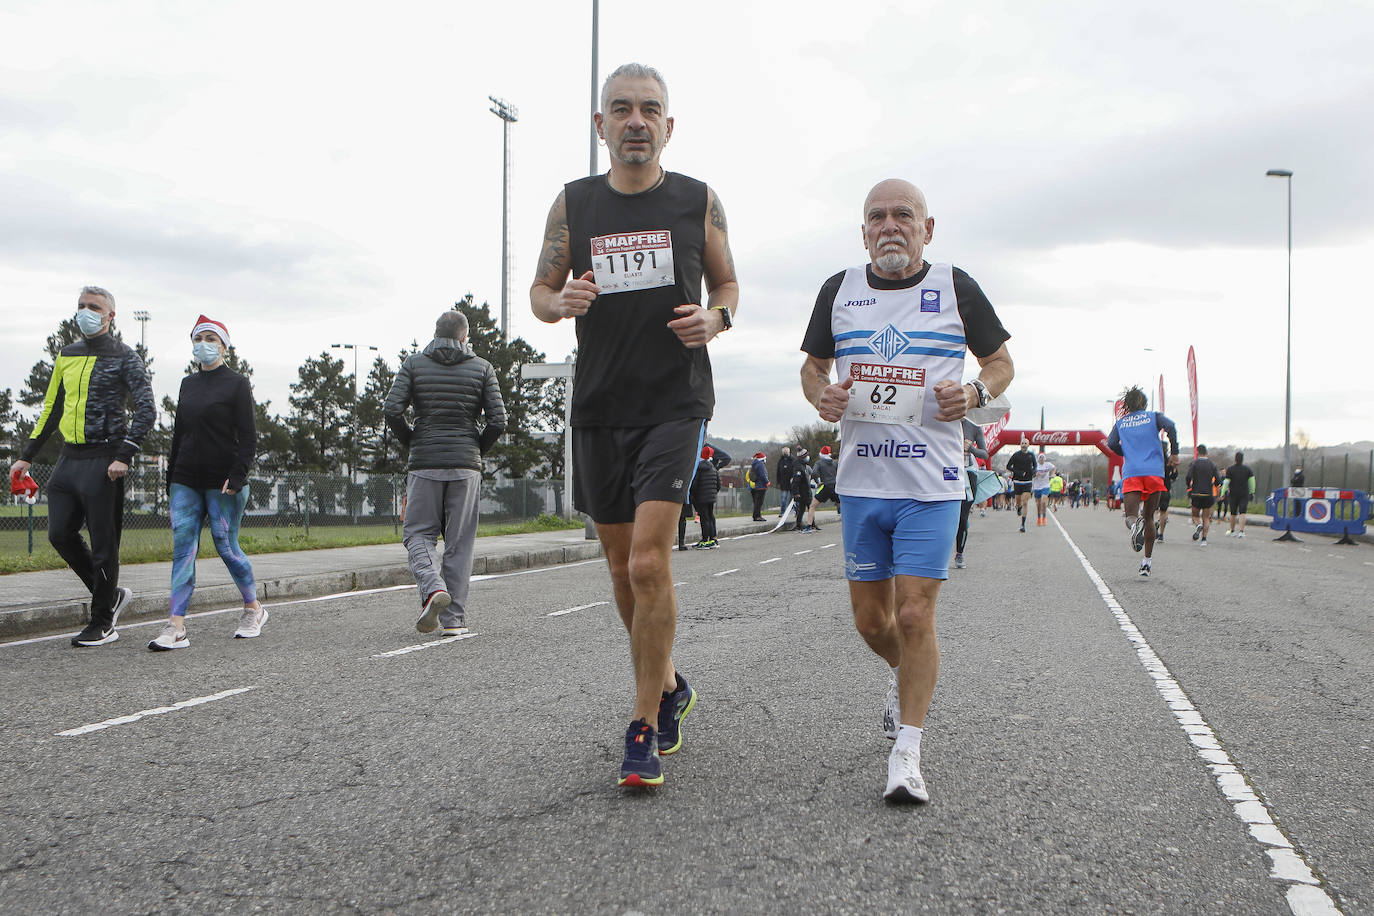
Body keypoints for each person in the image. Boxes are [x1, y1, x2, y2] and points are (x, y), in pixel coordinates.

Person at [529, 62, 738, 788]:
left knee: (651, 562)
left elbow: (729, 284)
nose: (636, 121)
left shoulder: (696, 200)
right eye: (621, 109)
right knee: (621, 571)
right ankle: (672, 682)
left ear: (668, 125)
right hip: (599, 406)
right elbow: (538, 293)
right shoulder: (574, 205)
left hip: (675, 403)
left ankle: (644, 723)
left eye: (650, 109)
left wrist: (717, 318)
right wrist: (562, 304)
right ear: (601, 126)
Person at [800, 178, 1013, 804]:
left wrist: (974, 393)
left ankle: (908, 751)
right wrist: (822, 396)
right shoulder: (838, 291)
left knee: (916, 614)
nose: (890, 225)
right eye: (877, 217)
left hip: (933, 483)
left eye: (904, 215)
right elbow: (812, 369)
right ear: (863, 230)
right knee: (873, 624)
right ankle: (907, 681)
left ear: (927, 227)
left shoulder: (955, 286)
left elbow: (1001, 363)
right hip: (863, 483)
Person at [11, 287, 155, 647]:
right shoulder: (67, 354)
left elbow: (147, 410)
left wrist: (124, 454)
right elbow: (52, 408)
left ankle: (102, 622)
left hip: (105, 459)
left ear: (110, 317)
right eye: (81, 306)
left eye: (94, 307)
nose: (85, 312)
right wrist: (26, 455)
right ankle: (111, 594)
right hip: (68, 459)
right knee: (59, 534)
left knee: (104, 545)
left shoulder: (126, 357)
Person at [384, 309, 508, 637]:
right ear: (464, 337)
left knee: (418, 534)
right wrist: (476, 450)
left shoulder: (414, 364)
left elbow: (392, 409)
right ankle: (455, 621)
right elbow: (498, 420)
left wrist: (413, 440)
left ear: (436, 332)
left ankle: (433, 586)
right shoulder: (482, 368)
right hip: (466, 465)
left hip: (425, 462)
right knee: (460, 542)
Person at [149, 316, 265, 650]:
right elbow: (179, 434)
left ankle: (252, 608)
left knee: (225, 544)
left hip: (224, 480)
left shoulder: (237, 384)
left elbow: (248, 436)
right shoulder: (188, 384)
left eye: (211, 337)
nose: (204, 343)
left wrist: (239, 474)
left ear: (224, 345)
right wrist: (170, 477)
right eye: (198, 338)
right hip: (186, 478)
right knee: (183, 547)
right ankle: (176, 625)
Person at [1107, 386, 1179, 577]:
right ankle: (1146, 563)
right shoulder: (1154, 417)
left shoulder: (1121, 423)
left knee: (1131, 515)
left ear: (1127, 406)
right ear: (1145, 403)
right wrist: (1175, 453)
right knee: (1149, 517)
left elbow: (1111, 443)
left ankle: (1134, 527)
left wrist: (1126, 453)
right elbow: (1171, 427)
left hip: (1132, 472)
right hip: (1154, 472)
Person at [953, 419, 988, 569]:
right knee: (945, 515)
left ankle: (959, 554)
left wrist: (971, 448)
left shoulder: (973, 426)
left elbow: (984, 454)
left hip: (968, 474)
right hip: (947, 472)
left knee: (962, 516)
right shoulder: (943, 421)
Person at [1185, 444, 1222, 546]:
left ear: (1197, 452)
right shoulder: (1212, 464)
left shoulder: (1194, 463)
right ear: (1206, 452)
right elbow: (1218, 480)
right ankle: (1204, 539)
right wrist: (1215, 484)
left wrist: (1189, 486)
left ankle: (1198, 525)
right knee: (1206, 517)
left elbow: (1188, 476)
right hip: (1208, 494)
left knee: (1195, 515)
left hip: (1196, 493)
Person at [690, 445, 720, 548]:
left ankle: (705, 540)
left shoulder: (698, 468)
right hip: (711, 497)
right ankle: (713, 539)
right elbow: (718, 484)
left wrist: (693, 495)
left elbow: (694, 485)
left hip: (701, 497)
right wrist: (713, 493)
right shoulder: (713, 468)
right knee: (710, 517)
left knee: (704, 519)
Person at [1005, 437, 1036, 532]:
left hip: (1028, 482)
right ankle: (1018, 507)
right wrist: (1018, 472)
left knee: (1025, 502)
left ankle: (1023, 525)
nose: (1024, 445)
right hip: (1017, 481)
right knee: (1018, 501)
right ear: (1020, 445)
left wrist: (1034, 472)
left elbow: (1035, 465)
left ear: (1028, 445)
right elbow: (1008, 466)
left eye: (1026, 443)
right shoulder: (1016, 455)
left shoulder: (1031, 455)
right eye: (1022, 443)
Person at [1222, 451, 1256, 537]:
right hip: (1244, 494)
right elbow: (1252, 482)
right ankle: (1241, 531)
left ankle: (1232, 531)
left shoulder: (1230, 469)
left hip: (1233, 494)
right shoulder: (1247, 469)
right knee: (1242, 512)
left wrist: (1222, 492)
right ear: (1242, 459)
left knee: (1233, 513)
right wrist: (1252, 492)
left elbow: (1226, 482)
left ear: (1235, 459)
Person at [806, 444, 840, 529]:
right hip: (835, 486)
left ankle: (809, 525)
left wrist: (818, 481)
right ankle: (851, 524)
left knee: (812, 506)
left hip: (825, 486)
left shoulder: (819, 463)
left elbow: (814, 473)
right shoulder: (834, 463)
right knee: (843, 505)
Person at [1156, 440, 1179, 541]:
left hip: (1155, 488)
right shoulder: (1170, 462)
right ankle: (1161, 534)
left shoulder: (1154, 460)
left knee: (1153, 510)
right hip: (1166, 488)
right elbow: (1174, 476)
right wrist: (1174, 468)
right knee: (1164, 512)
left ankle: (1154, 525)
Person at [790, 447, 813, 531]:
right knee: (810, 507)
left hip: (806, 490)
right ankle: (808, 524)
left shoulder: (803, 466)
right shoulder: (799, 467)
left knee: (803, 508)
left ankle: (800, 524)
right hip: (803, 491)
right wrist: (796, 492)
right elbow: (796, 481)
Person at [1031, 452, 1056, 527]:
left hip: (1045, 486)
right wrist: (1035, 474)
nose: (1041, 459)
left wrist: (1053, 474)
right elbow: (1031, 475)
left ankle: (1044, 518)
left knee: (1043, 502)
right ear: (1038, 459)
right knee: (1038, 505)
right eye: (1040, 458)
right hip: (1037, 487)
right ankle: (1039, 519)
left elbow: (1054, 468)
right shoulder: (1035, 466)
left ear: (1044, 459)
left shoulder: (1048, 464)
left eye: (1043, 458)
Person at [746, 451, 769, 521]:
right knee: (759, 502)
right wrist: (767, 482)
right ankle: (757, 516)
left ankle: (755, 515)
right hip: (761, 485)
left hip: (755, 485)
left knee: (756, 502)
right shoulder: (760, 465)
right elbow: (762, 475)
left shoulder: (754, 464)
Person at [775, 446, 794, 516]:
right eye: (784, 452)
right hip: (783, 483)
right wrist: (778, 481)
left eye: (786, 452)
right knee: (783, 498)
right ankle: (782, 512)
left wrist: (793, 478)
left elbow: (795, 469)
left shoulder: (792, 460)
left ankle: (792, 511)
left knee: (793, 498)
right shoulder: (781, 461)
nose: (785, 453)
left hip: (792, 483)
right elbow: (778, 472)